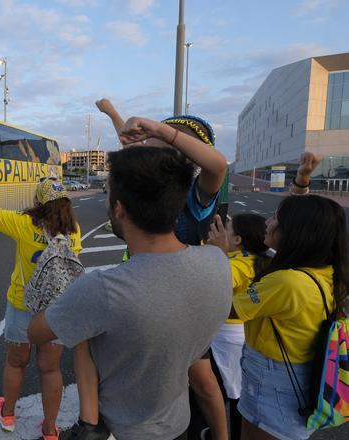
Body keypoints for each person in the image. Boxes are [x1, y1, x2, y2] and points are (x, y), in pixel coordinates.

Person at [29, 142, 232, 440]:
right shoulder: (218, 262)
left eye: (109, 195)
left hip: (123, 431)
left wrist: (63, 297)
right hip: (178, 425)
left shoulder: (101, 291)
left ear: (120, 209)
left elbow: (35, 332)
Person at [94, 100, 230, 440]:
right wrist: (113, 114)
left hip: (180, 298)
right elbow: (131, 153)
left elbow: (217, 165)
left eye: (163, 136)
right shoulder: (149, 187)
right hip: (140, 288)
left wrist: (159, 128)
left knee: (202, 380)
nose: (146, 138)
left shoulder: (191, 195)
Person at [0, 150, 82, 440]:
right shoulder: (74, 232)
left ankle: (8, 414)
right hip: (55, 311)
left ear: (39, 203)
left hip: (24, 304)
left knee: (16, 362)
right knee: (50, 369)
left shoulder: (24, 225)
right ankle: (50, 428)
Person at [232, 194, 347, 440]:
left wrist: (219, 254)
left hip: (272, 380)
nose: (267, 222)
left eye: (276, 218)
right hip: (301, 374)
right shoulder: (325, 271)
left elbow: (228, 309)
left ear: (295, 231)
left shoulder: (287, 282)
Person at [206, 213, 270, 439]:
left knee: (228, 393)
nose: (223, 232)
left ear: (237, 240)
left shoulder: (240, 265)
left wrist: (218, 255)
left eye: (228, 229)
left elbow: (215, 282)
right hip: (242, 336)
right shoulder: (259, 261)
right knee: (235, 391)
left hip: (226, 338)